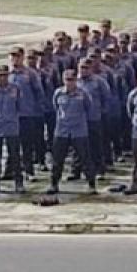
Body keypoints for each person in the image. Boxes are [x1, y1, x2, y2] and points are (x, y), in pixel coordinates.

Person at [47, 68, 97, 196]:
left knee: (85, 159)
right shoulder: (58, 93)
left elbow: (89, 108)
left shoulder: (83, 94)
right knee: (57, 160)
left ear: (76, 80)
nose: (69, 83)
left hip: (79, 131)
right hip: (62, 131)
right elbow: (55, 107)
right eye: (67, 80)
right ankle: (54, 184)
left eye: (71, 80)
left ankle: (91, 184)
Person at [0, 65, 23, 194]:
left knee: (15, 156)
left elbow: (19, 106)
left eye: (5, 75)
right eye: (0, 75)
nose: (2, 78)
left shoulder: (15, 89)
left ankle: (19, 183)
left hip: (11, 126)